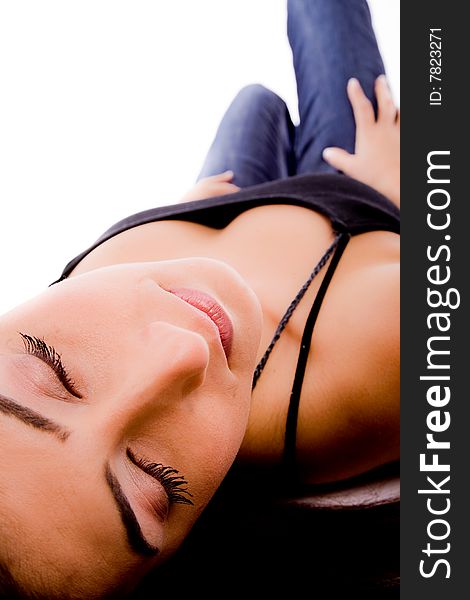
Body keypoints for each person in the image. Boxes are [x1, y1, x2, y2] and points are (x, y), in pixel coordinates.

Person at [0, 1, 399, 598]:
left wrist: (184, 208)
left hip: (219, 197)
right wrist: (410, 189)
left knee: (254, 102)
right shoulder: (376, 364)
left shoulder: (83, 288)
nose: (181, 350)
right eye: (154, 485)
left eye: (49, 373)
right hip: (353, 181)